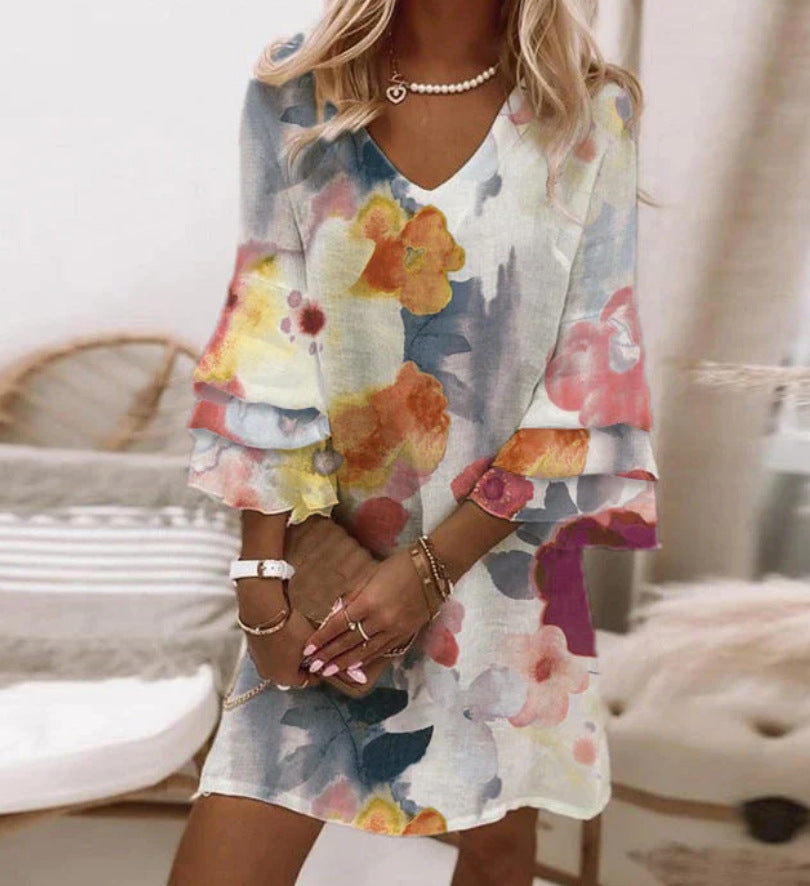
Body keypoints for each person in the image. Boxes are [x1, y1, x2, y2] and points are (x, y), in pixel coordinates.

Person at [169, 1, 660, 884]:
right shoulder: (296, 88)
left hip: (502, 576)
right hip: (327, 576)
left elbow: (592, 370)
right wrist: (261, 581)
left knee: (496, 847)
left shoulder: (589, 112)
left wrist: (432, 569)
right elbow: (266, 332)